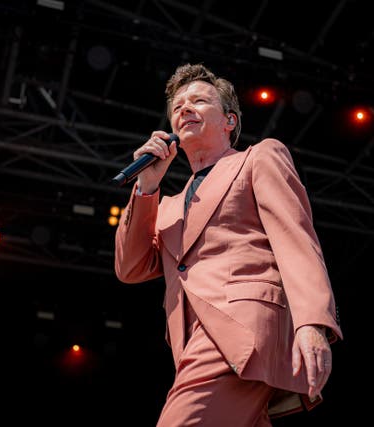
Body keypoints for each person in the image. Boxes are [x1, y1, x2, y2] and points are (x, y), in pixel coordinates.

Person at [114, 63, 342, 426]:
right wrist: (147, 188)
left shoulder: (258, 158)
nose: (185, 108)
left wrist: (313, 323)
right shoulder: (166, 207)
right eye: (178, 106)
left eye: (199, 101)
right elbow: (130, 268)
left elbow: (295, 239)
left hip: (245, 329)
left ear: (229, 121)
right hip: (192, 346)